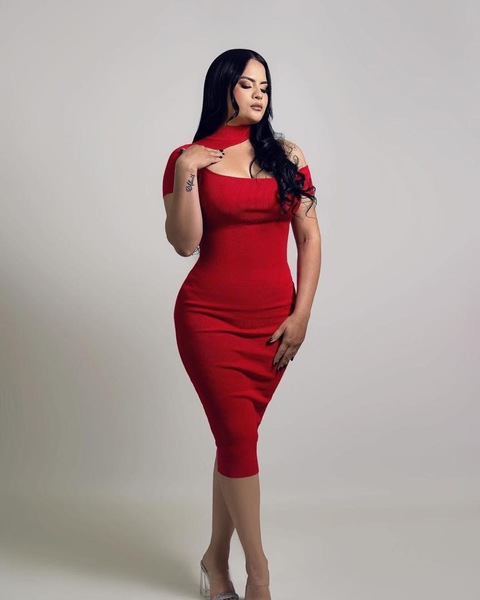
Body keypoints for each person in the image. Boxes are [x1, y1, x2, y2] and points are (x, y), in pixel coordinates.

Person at [162, 48, 322, 600]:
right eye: (248, 84)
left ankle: (215, 559)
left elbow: (309, 237)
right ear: (224, 87)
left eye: (265, 86)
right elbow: (184, 243)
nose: (259, 94)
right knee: (237, 437)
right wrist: (187, 172)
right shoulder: (187, 159)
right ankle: (259, 576)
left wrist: (301, 314)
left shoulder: (287, 156)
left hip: (273, 327)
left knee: (237, 441)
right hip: (207, 321)